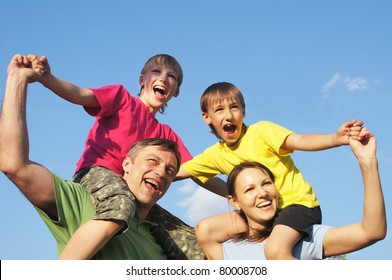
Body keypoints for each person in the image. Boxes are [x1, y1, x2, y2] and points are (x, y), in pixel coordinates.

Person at [0, 54, 188, 259]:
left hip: (127, 196)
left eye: (171, 76)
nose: (163, 78)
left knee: (191, 240)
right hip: (97, 174)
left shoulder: (165, 135)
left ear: (176, 91)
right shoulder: (122, 99)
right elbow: (81, 94)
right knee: (120, 205)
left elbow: (198, 168)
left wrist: (227, 180)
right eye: (156, 71)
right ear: (142, 80)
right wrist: (47, 80)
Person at [176, 81, 365, 259]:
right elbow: (181, 172)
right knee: (205, 228)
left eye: (234, 107)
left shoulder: (262, 131)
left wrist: (336, 138)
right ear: (206, 117)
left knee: (275, 251)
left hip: (297, 205)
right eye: (219, 110)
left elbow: (300, 140)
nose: (229, 115)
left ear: (243, 111)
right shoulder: (215, 155)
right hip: (261, 213)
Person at [195, 130, 386, 259]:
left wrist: (367, 162)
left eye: (267, 183)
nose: (262, 192)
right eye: (249, 189)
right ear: (234, 202)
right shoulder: (226, 250)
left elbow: (371, 232)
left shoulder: (303, 238)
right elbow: (206, 228)